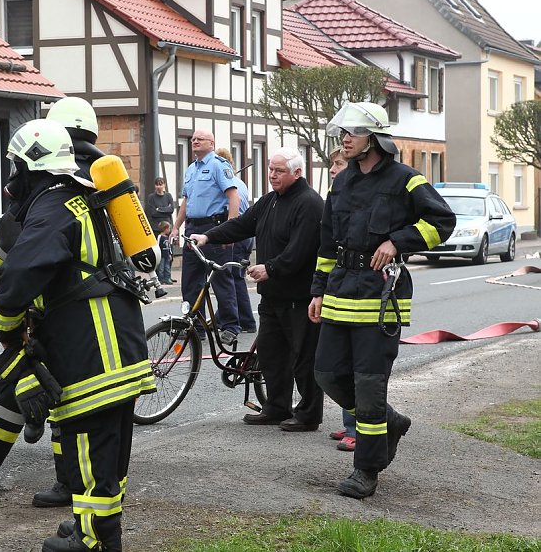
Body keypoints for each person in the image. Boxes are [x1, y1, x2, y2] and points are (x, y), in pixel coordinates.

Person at [0, 96, 107, 510]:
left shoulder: (49, 181)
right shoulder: (99, 176)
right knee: (22, 381)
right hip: (75, 297)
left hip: (53, 302)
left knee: (54, 388)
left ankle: (62, 480)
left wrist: (9, 296)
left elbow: (12, 245)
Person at [308, 101, 455, 498]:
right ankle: (390, 421)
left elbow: (442, 222)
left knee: (369, 387)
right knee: (326, 374)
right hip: (340, 291)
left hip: (380, 296)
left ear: (374, 138)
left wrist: (397, 241)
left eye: (352, 133)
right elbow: (326, 242)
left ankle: (366, 471)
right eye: (343, 133)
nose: (344, 140)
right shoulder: (341, 182)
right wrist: (318, 289)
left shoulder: (406, 179)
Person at [191, 147, 324, 432]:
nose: (272, 175)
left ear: (297, 173)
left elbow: (300, 250)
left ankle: (308, 414)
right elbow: (242, 224)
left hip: (299, 296)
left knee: (303, 358)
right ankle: (276, 407)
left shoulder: (309, 204)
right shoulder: (270, 201)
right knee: (272, 353)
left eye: (279, 171)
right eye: (270, 169)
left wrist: (270, 268)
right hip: (272, 293)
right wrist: (209, 236)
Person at [171, 130, 240, 345]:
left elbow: (233, 196)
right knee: (190, 281)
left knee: (221, 278)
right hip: (193, 229)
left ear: (212, 143)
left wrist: (230, 229)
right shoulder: (191, 170)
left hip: (214, 228)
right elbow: (186, 202)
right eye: (192, 139)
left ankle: (230, 326)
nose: (194, 141)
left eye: (199, 139)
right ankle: (195, 325)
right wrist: (175, 227)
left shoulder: (219, 165)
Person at [326, 145, 356, 451]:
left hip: (361, 291)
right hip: (337, 285)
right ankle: (351, 422)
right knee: (337, 365)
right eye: (332, 164)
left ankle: (361, 428)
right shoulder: (335, 196)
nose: (333, 169)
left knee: (358, 367)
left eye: (338, 164)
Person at [215, 147, 256, 333]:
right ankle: (225, 316)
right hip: (246, 236)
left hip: (237, 236)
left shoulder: (228, 185)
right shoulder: (239, 182)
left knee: (233, 278)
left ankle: (246, 321)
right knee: (234, 277)